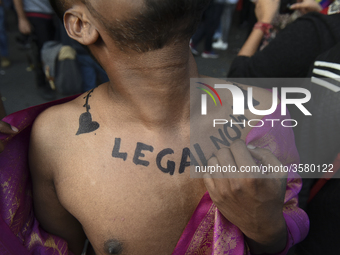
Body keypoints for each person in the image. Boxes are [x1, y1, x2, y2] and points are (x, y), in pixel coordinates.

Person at [0, 0, 308, 254]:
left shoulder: (263, 111)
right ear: (82, 24)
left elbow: (290, 236)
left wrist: (267, 229)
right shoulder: (56, 139)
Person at [13, 0, 57, 100]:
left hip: (52, 15)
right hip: (36, 15)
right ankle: (43, 84)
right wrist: (22, 18)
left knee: (53, 51)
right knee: (41, 53)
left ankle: (54, 81)